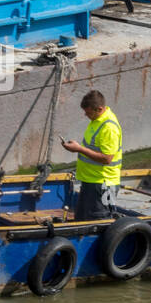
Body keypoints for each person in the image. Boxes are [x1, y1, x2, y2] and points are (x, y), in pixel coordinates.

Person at [60, 90, 122, 220]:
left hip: (103, 184)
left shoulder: (109, 128)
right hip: (91, 182)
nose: (86, 115)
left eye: (88, 112)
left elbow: (107, 158)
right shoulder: (97, 120)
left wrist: (79, 149)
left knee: (99, 221)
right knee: (82, 220)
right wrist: (77, 146)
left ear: (99, 109)